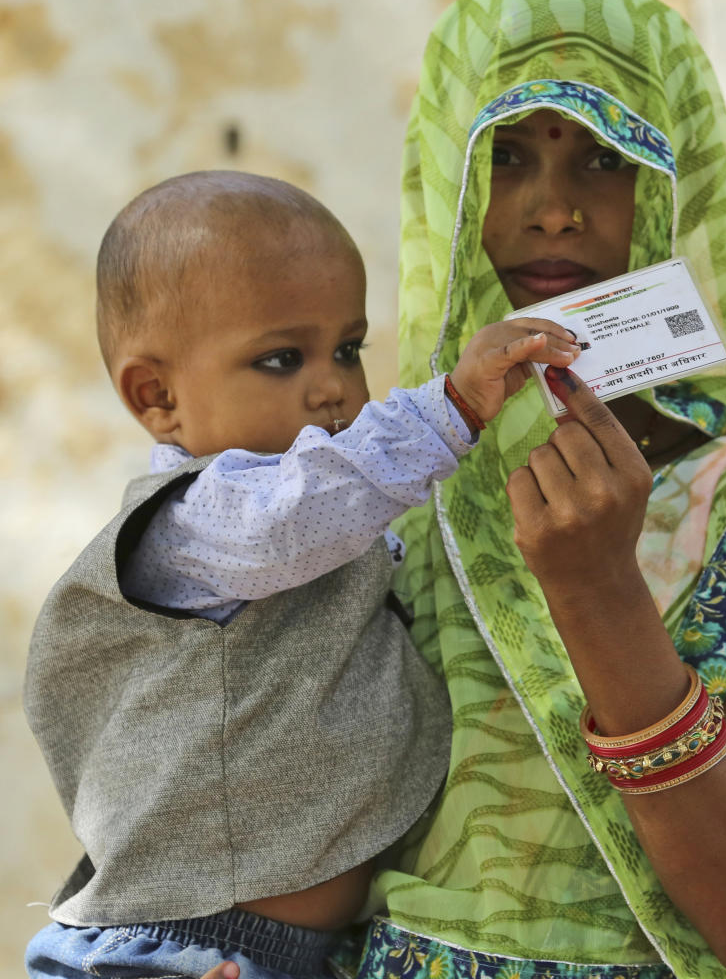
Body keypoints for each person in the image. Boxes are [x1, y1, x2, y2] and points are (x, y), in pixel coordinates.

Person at [347, 0, 726, 979]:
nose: (553, 210)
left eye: (603, 159)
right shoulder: (388, 484)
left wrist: (597, 586)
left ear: (677, 187)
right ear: (448, 188)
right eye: (505, 158)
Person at [23, 171, 582, 979]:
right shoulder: (198, 523)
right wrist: (449, 409)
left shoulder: (325, 523)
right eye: (281, 359)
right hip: (184, 950)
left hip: (300, 954)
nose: (332, 387)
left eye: (348, 349)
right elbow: (302, 514)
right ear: (158, 397)